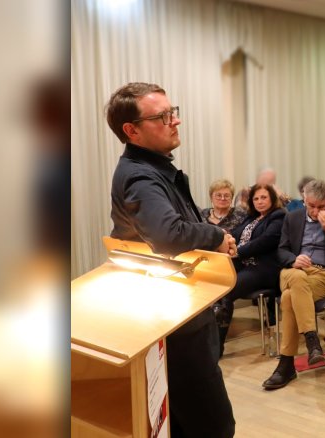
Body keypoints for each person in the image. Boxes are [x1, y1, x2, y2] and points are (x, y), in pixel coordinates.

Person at [105, 82, 235, 437]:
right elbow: (167, 235)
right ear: (131, 130)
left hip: (181, 309)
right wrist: (217, 236)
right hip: (176, 322)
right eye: (162, 116)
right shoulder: (140, 175)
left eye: (172, 112)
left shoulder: (155, 168)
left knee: (186, 420)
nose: (174, 121)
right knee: (215, 425)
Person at [263, 179, 325, 390]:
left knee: (288, 298)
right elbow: (281, 250)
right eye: (310, 206)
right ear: (304, 200)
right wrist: (293, 260)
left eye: (320, 207)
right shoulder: (292, 217)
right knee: (296, 277)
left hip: (321, 276)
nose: (314, 211)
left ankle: (286, 365)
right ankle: (312, 341)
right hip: (292, 270)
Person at [214, 184, 285, 356]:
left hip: (264, 269)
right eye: (256, 198)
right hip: (244, 264)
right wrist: (227, 240)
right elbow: (235, 234)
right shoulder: (252, 218)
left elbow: (265, 241)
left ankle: (216, 348)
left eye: (263, 197)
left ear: (272, 199)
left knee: (226, 291)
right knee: (215, 283)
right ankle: (209, 343)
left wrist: (237, 252)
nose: (259, 202)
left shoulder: (279, 216)